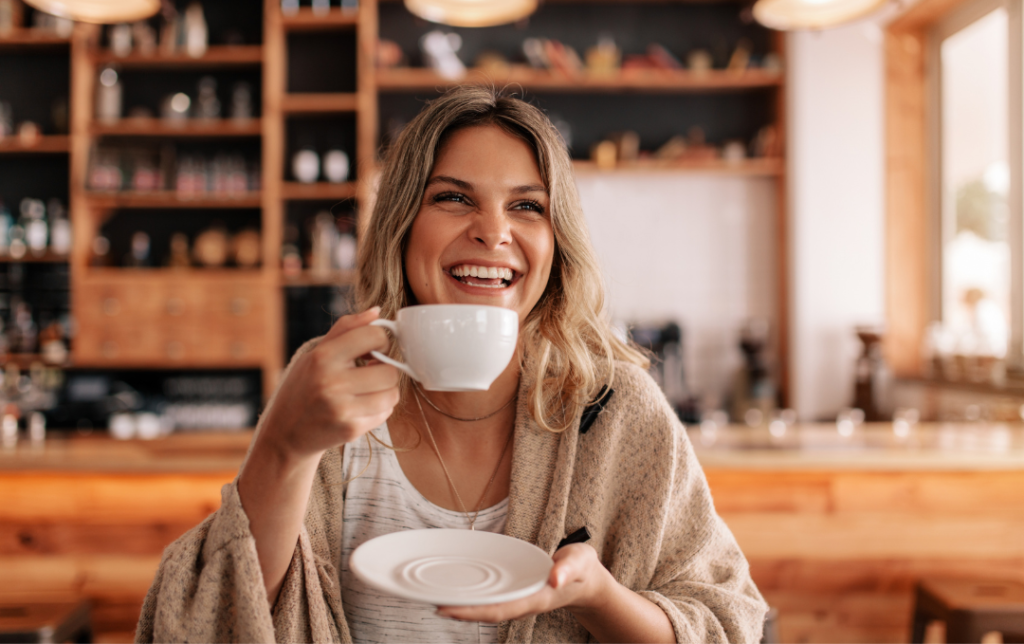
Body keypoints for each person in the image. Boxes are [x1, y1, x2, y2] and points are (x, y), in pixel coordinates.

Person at [135, 86, 768, 643]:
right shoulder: (334, 403)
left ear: (557, 245)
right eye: (454, 198)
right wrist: (282, 446)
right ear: (403, 225)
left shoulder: (612, 408)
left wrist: (597, 595)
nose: (493, 232)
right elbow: (204, 624)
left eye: (526, 206)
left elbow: (727, 621)